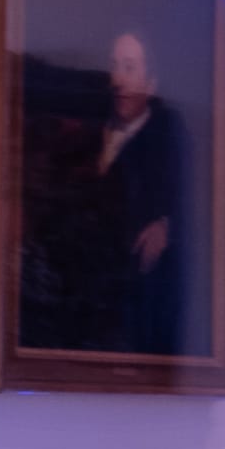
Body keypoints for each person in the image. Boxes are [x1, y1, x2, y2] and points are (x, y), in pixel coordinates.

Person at [83, 27, 194, 356]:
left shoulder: (167, 138)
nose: (118, 80)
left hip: (134, 310)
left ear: (152, 82)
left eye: (130, 68)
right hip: (86, 304)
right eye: (114, 66)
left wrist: (166, 225)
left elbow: (190, 204)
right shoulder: (90, 131)